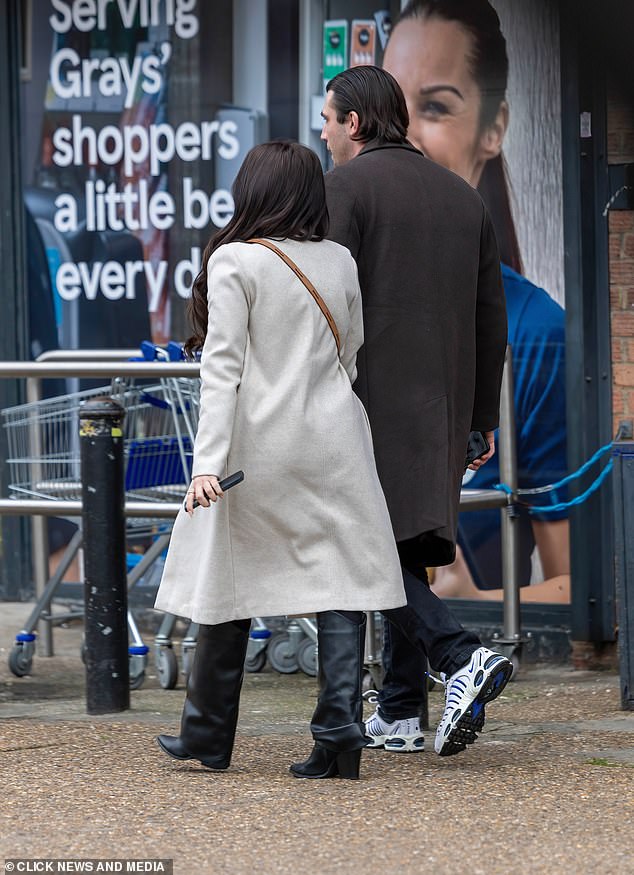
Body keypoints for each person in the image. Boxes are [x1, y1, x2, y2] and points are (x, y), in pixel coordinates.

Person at [153, 141, 408, 780]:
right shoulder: (339, 260)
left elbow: (223, 370)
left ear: (253, 192)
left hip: (259, 448)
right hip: (335, 440)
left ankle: (206, 737)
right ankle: (339, 735)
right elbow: (350, 352)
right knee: (341, 580)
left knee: (228, 578)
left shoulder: (235, 260)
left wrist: (206, 462)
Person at [320, 65, 513, 757]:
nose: (322, 130)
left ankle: (458, 653)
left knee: (364, 545)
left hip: (366, 402)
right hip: (446, 404)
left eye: (329, 117)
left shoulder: (343, 189)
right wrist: (480, 417)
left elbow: (326, 301)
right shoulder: (464, 199)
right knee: (403, 544)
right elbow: (493, 319)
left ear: (356, 123)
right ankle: (400, 711)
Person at [382, 0, 570, 605]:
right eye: (387, 107)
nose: (401, 133)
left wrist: (466, 604)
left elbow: (583, 592)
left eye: (433, 107)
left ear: (492, 129)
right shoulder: (328, 299)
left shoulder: (536, 334)